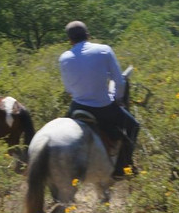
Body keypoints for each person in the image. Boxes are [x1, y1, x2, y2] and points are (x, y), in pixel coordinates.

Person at [58, 20, 139, 176]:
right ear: (88, 35)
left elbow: (68, 89)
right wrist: (117, 99)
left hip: (77, 107)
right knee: (133, 126)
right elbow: (119, 81)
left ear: (70, 40)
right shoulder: (104, 50)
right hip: (104, 108)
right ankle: (123, 167)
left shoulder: (64, 58)